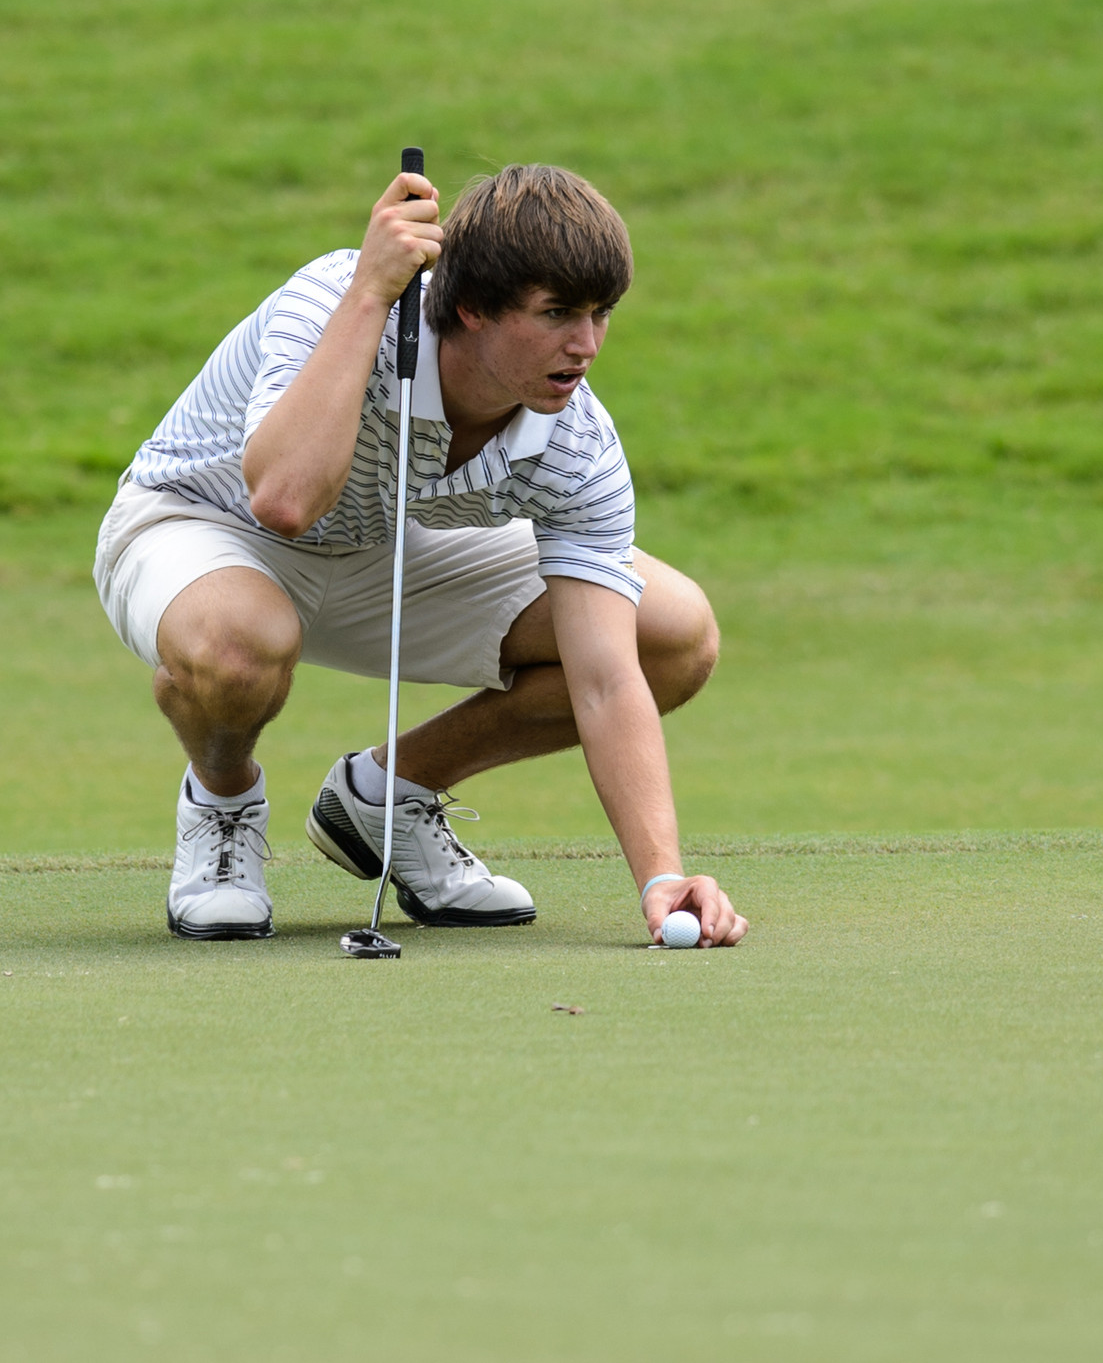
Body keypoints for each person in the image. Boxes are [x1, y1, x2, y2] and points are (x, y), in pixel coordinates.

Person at [92, 161, 746, 948]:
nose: (587, 344)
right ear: (469, 307)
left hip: (381, 546)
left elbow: (606, 679)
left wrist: (661, 876)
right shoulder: (335, 295)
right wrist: (370, 293)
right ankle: (223, 802)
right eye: (558, 313)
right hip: (205, 524)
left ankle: (386, 795)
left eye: (601, 313)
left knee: (672, 633)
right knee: (237, 648)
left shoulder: (577, 439)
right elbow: (285, 501)